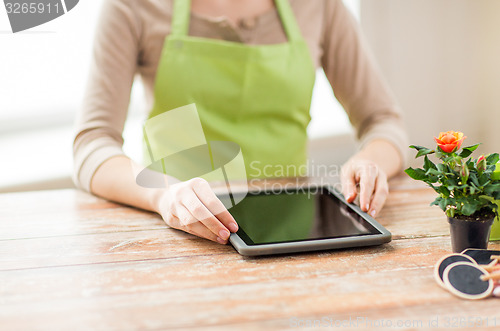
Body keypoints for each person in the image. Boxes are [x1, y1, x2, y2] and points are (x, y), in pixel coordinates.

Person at [73, 0, 407, 245]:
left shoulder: (320, 6)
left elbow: (383, 121)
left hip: (293, 237)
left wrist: (370, 161)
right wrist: (164, 196)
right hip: (182, 239)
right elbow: (92, 145)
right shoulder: (131, 7)